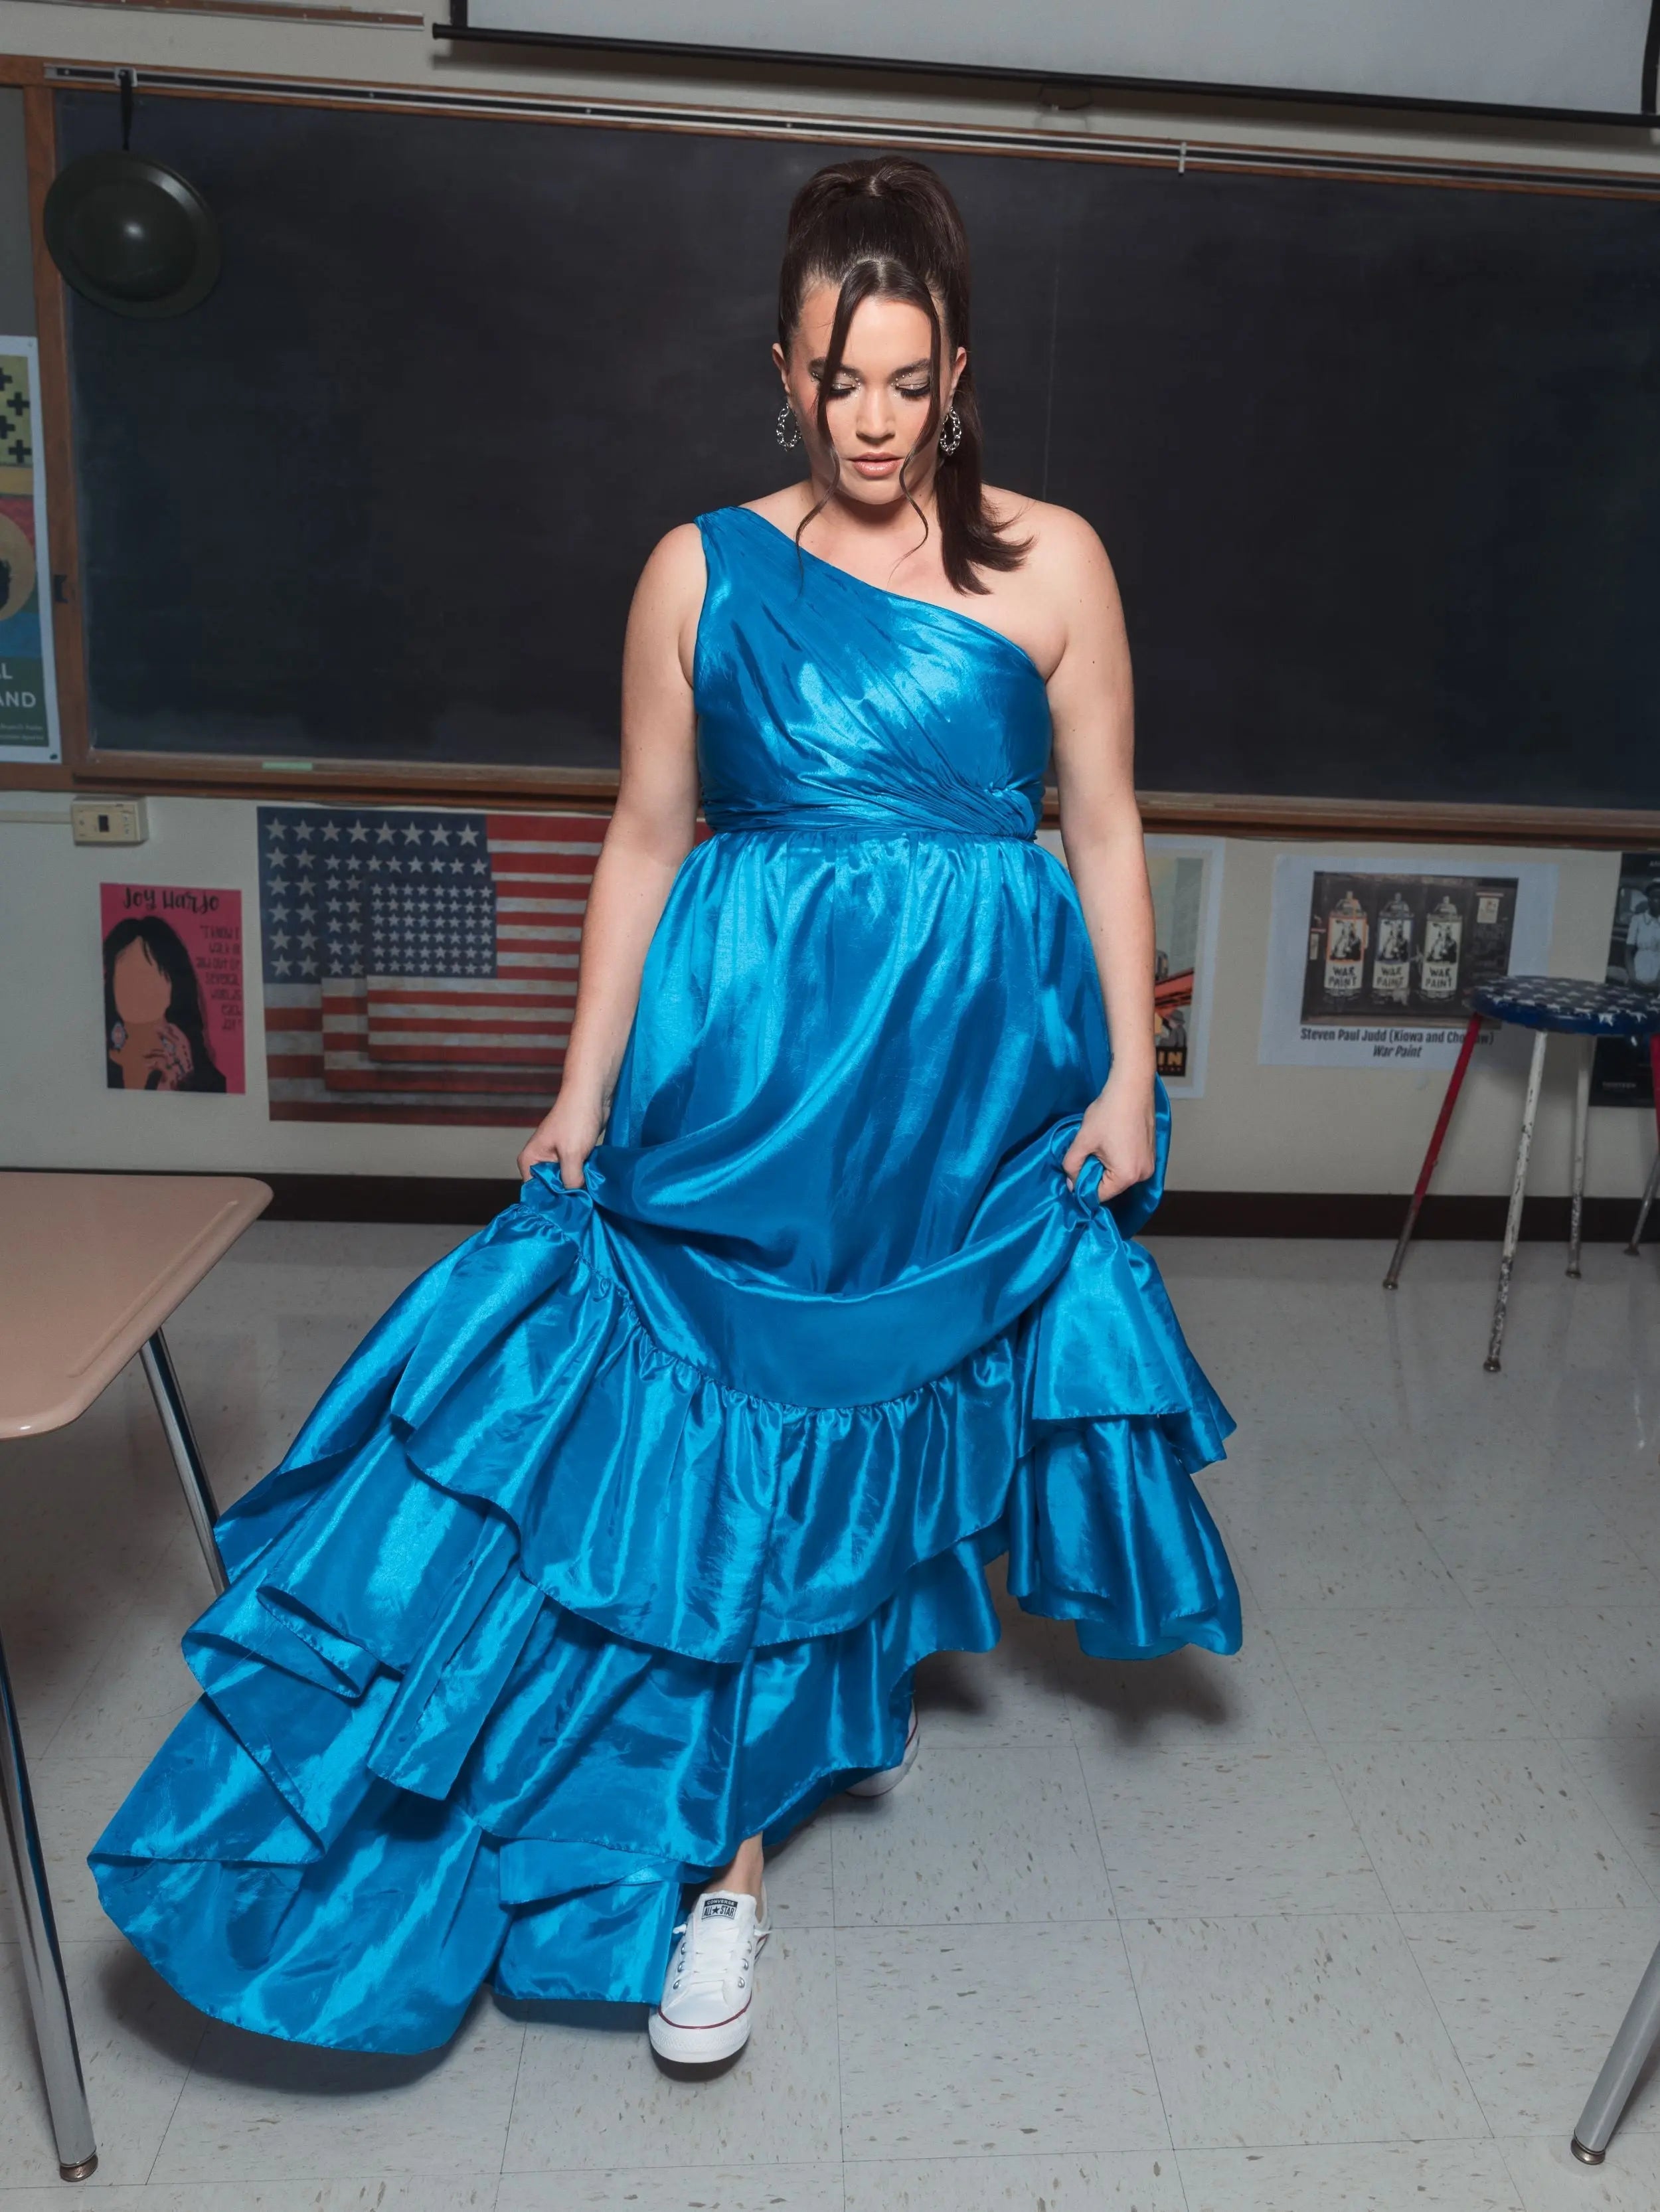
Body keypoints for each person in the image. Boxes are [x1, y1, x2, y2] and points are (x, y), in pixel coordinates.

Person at [90, 155, 1240, 2068]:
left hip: (967, 1072)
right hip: (757, 1059)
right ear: (779, 370)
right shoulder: (696, 569)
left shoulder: (1054, 562)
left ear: (957, 372)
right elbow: (643, 836)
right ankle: (714, 1867)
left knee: (871, 1408)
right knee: (711, 1427)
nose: (870, 422)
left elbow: (1105, 823)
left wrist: (1128, 1063)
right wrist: (576, 1089)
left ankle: (811, 1716)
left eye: (907, 380)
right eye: (832, 379)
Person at [103, 914, 228, 1092]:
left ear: (173, 985)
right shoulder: (98, 1064)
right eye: (127, 976)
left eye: (147, 977)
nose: (137, 990)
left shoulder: (203, 1078)